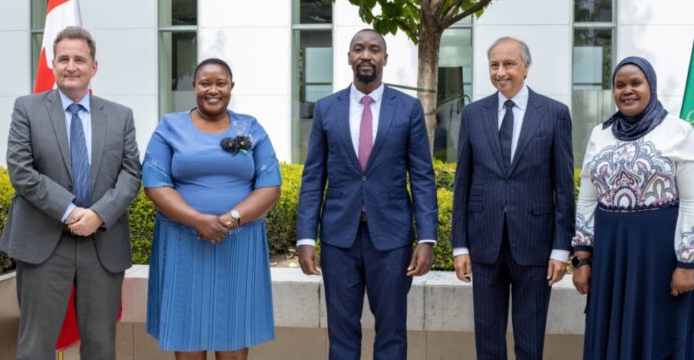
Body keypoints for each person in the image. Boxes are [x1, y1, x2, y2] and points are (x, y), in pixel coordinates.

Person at [296, 29, 438, 360]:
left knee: (391, 332)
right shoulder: (327, 108)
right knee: (341, 333)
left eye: (374, 49)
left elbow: (421, 176)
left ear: (385, 58)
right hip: (338, 239)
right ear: (348, 57)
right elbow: (313, 175)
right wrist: (305, 238)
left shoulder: (408, 108)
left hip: (391, 239)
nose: (366, 55)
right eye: (358, 49)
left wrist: (426, 238)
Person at [0, 26, 141, 359]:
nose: (71, 66)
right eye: (63, 58)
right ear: (52, 63)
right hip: (42, 243)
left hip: (102, 244)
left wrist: (98, 215)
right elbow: (20, 169)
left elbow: (131, 174)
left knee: (100, 347)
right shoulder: (27, 109)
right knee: (35, 347)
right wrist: (70, 210)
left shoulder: (120, 117)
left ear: (94, 66)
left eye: (80, 59)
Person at [143, 58, 281, 360]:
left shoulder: (250, 127)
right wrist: (197, 221)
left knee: (232, 332)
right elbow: (154, 182)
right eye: (205, 83)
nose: (213, 89)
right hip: (182, 242)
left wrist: (231, 219)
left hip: (238, 244)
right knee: (188, 332)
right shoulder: (170, 127)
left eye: (221, 83)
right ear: (194, 87)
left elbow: (270, 184)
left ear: (232, 87)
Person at [571, 56, 694, 360]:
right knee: (610, 335)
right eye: (620, 85)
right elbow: (588, 198)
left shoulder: (678, 131)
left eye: (636, 83)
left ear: (651, 86)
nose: (627, 90)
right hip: (611, 257)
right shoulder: (600, 134)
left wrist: (687, 264)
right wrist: (581, 259)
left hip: (659, 257)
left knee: (658, 334)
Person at [451, 36, 575, 360]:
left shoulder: (554, 114)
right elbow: (462, 183)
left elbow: (563, 187)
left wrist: (561, 249)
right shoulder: (473, 114)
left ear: (526, 67)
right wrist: (460, 245)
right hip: (484, 243)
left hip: (535, 243)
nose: (501, 72)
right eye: (494, 65)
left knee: (530, 342)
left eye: (508, 64)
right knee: (488, 342)